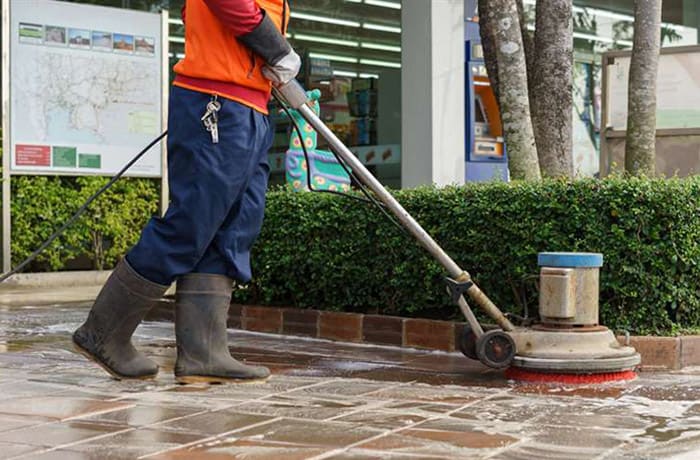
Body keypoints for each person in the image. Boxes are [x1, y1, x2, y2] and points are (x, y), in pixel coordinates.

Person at [72, 0, 301, 384]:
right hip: (215, 103)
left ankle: (204, 353)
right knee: (191, 223)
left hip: (251, 107)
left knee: (234, 227)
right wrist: (276, 47)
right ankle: (103, 332)